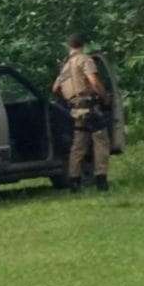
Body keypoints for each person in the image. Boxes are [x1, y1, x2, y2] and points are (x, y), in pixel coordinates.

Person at [51, 34, 111, 192]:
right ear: (83, 45)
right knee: (101, 139)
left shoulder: (65, 66)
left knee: (79, 142)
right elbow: (93, 81)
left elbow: (55, 88)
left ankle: (74, 180)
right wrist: (104, 97)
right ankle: (101, 178)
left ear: (69, 46)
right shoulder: (85, 59)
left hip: (75, 108)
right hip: (88, 104)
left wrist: (67, 99)